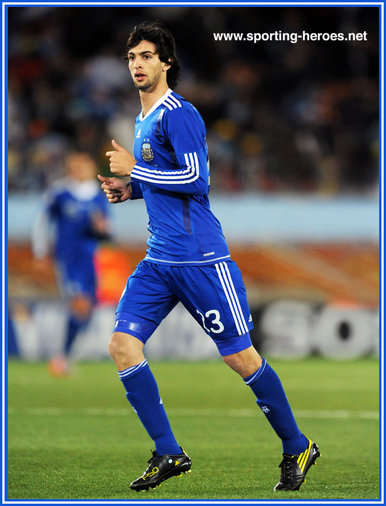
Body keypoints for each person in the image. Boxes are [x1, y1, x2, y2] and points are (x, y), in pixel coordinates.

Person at [98, 21, 320, 493]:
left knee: (241, 359)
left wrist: (136, 169)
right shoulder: (143, 117)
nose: (137, 64)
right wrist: (132, 188)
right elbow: (166, 180)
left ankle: (297, 444)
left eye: (146, 56)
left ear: (166, 62)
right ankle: (168, 452)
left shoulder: (179, 113)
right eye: (131, 57)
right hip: (158, 262)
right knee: (122, 346)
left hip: (201, 260)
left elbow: (197, 181)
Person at [32, 151, 110, 376]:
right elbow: (41, 220)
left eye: (85, 165)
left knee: (88, 310)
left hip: (89, 259)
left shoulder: (96, 195)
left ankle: (63, 356)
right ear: (70, 168)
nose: (81, 169)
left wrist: (101, 229)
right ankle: (61, 359)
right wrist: (40, 252)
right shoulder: (59, 192)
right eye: (77, 166)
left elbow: (105, 230)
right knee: (80, 303)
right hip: (68, 259)